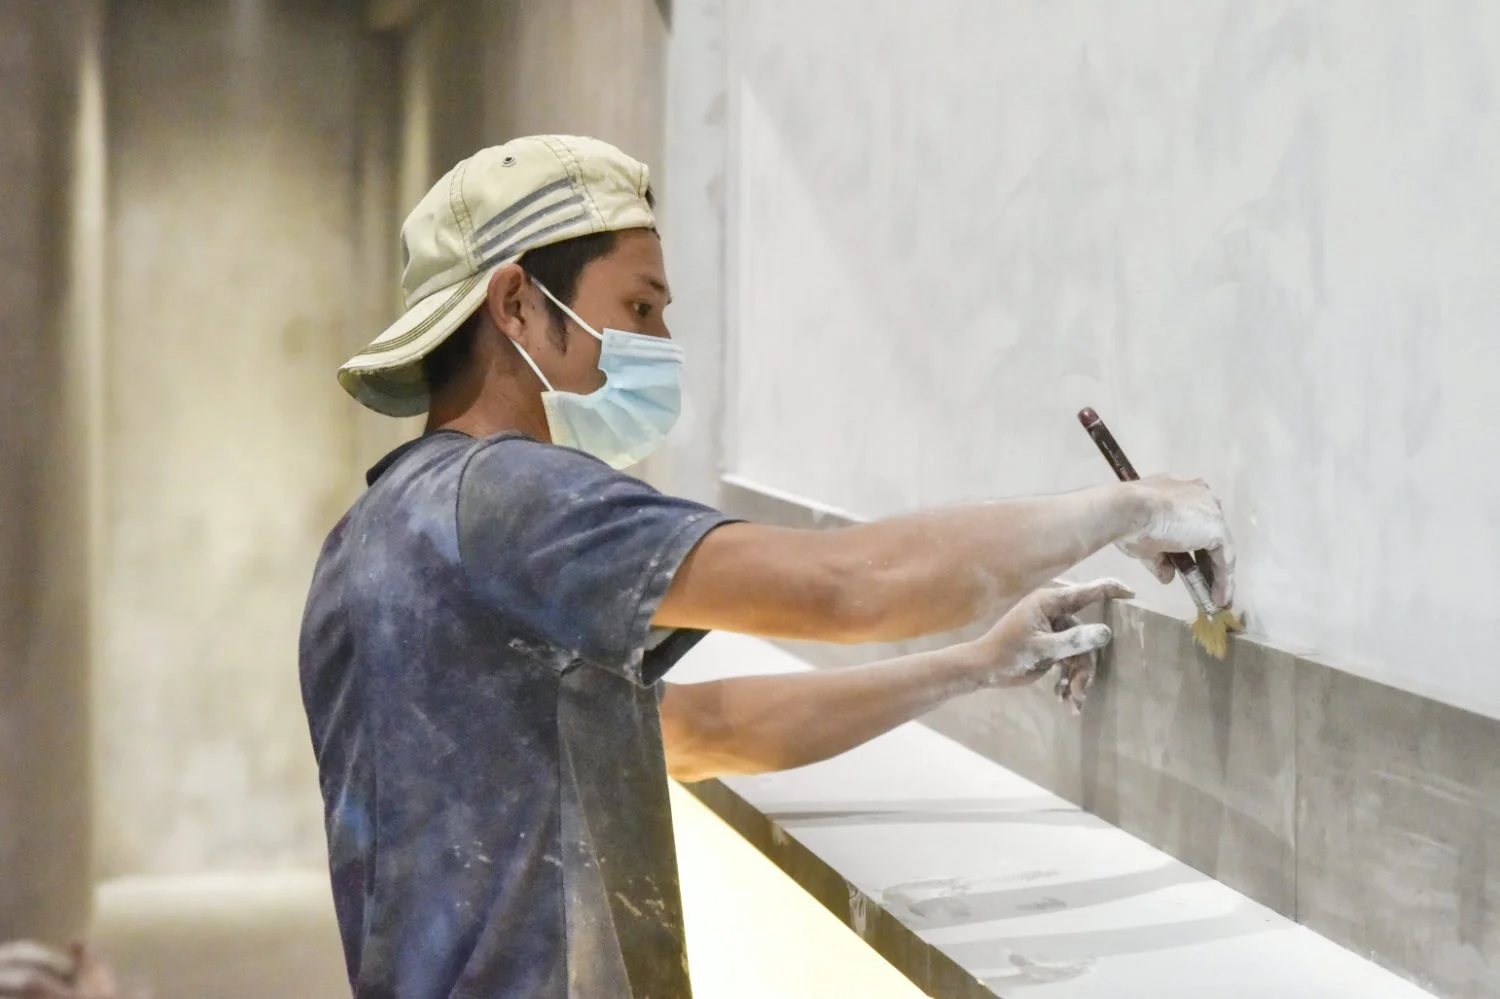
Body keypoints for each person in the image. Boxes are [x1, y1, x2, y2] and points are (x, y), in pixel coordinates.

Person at [300, 135, 1235, 999]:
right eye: (636, 307)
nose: (659, 346)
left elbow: (696, 733)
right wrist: (1125, 508)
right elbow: (845, 587)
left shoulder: (372, 536)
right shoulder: (512, 500)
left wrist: (973, 663)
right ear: (516, 307)